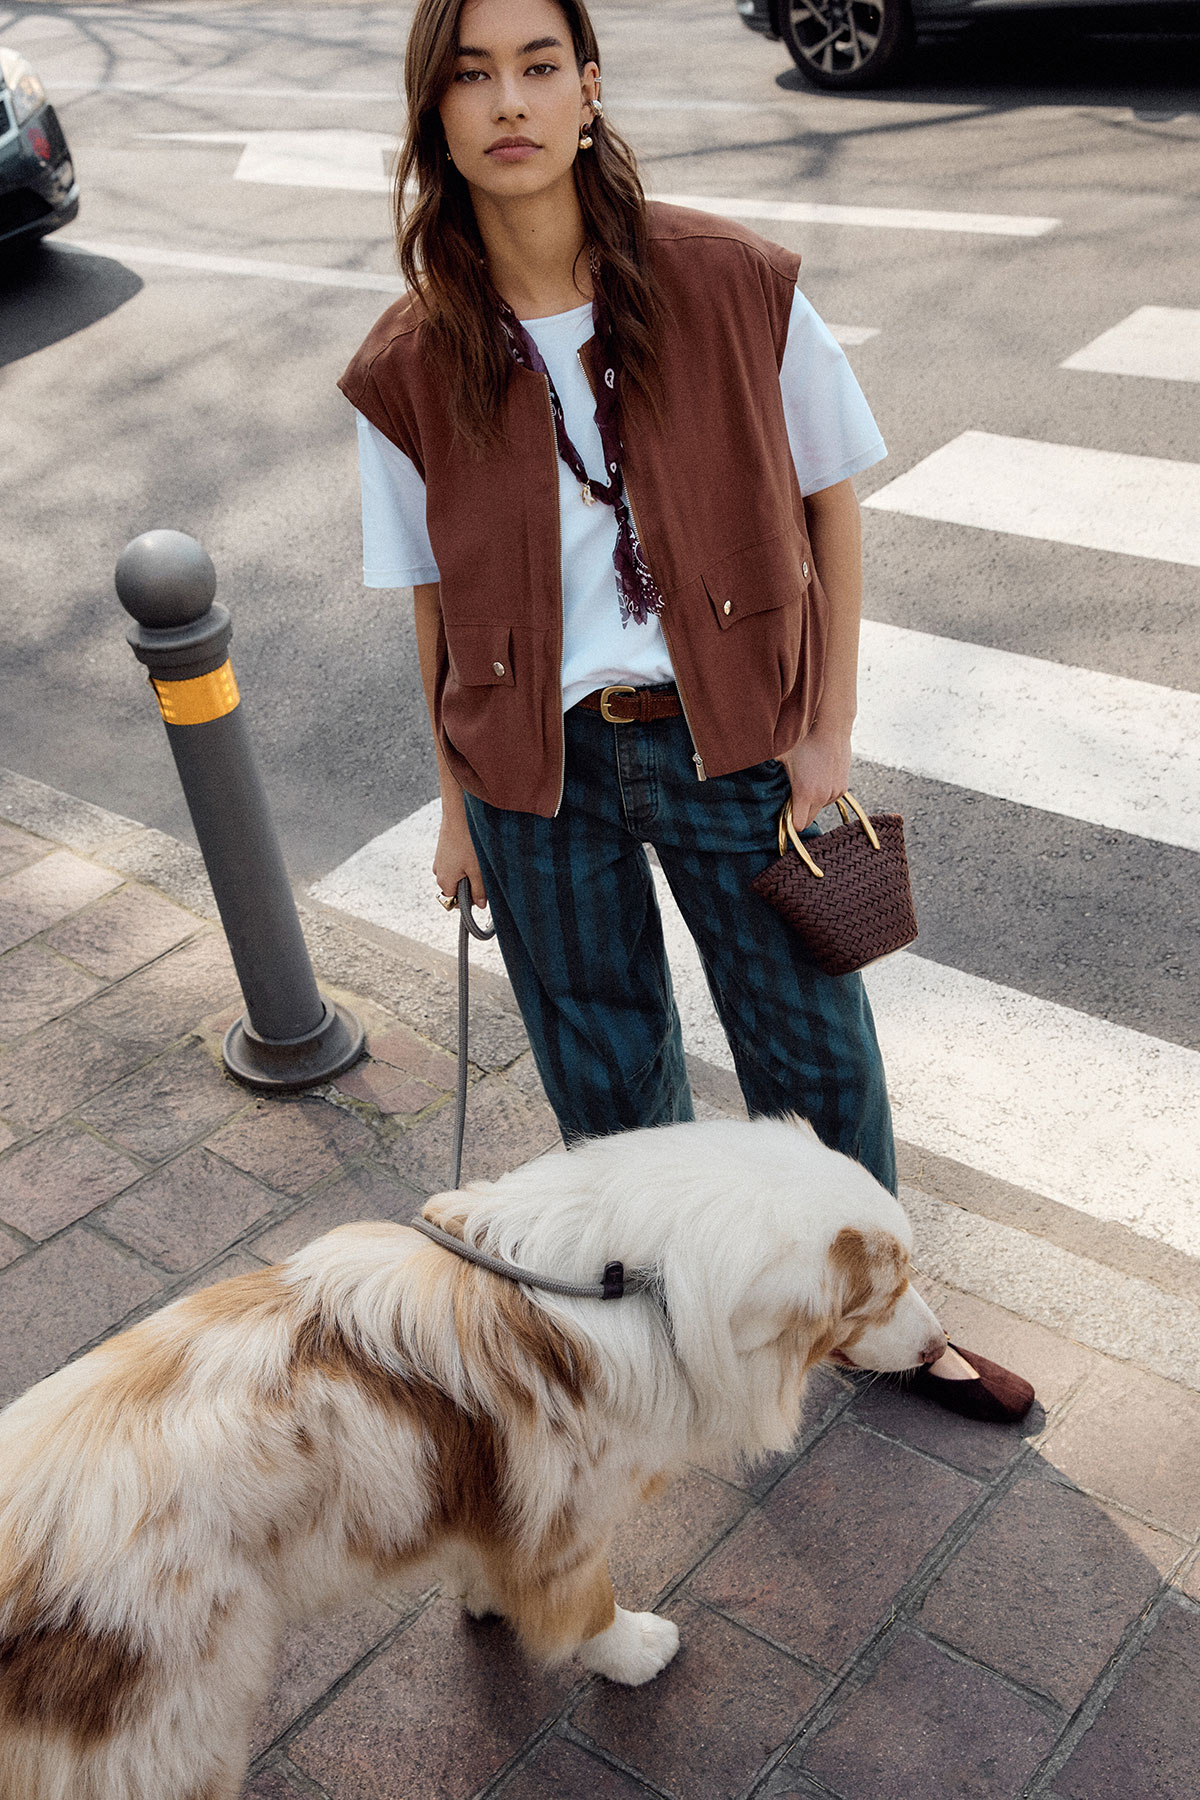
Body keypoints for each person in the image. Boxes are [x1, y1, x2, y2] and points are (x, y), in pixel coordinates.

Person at [339, 0, 1033, 1424]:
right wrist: (461, 811)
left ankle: (888, 1329)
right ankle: (672, 1338)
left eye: (539, 66)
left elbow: (830, 499)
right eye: (472, 77)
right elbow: (432, 609)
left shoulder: (726, 281)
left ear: (590, 88)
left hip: (737, 747)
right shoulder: (409, 361)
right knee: (608, 1081)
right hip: (540, 773)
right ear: (437, 115)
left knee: (814, 1058)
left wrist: (825, 730)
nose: (509, 102)